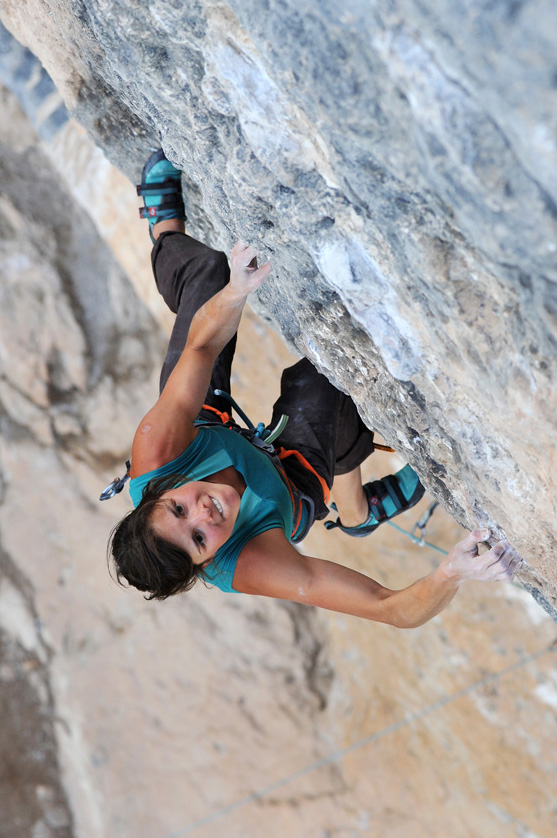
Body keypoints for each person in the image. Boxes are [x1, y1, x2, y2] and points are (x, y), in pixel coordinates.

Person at [108, 150, 522, 629]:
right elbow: (387, 608)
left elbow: (200, 347)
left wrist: (235, 291)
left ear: (158, 492)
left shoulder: (157, 450)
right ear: (207, 564)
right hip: (291, 485)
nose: (203, 511)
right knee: (325, 384)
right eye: (199, 539)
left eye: (178, 508)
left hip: (203, 426)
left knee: (209, 277)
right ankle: (356, 510)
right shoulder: (250, 563)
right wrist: (454, 572)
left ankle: (165, 233)